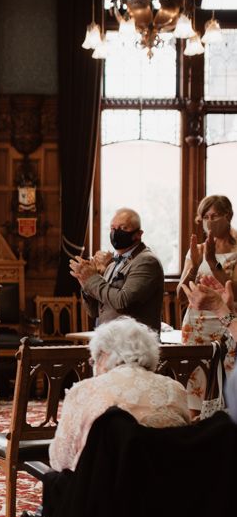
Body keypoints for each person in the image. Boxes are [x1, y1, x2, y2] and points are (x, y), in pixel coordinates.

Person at [49, 317, 190, 472]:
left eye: (94, 360)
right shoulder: (174, 389)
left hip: (103, 490)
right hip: (164, 489)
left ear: (103, 354)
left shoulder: (84, 391)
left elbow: (61, 460)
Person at [177, 195, 237, 415]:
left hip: (228, 324)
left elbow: (235, 292)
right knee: (195, 383)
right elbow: (180, 296)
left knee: (228, 379)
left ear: (228, 216)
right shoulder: (197, 249)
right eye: (204, 217)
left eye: (214, 216)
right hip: (196, 325)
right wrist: (194, 265)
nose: (209, 222)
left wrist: (213, 262)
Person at [70, 208, 164, 332]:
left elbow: (122, 301)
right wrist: (86, 284)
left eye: (123, 228)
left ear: (138, 234)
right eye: (113, 228)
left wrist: (93, 279)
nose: (116, 233)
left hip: (135, 343)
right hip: (110, 341)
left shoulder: (146, 261)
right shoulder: (112, 264)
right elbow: (94, 311)